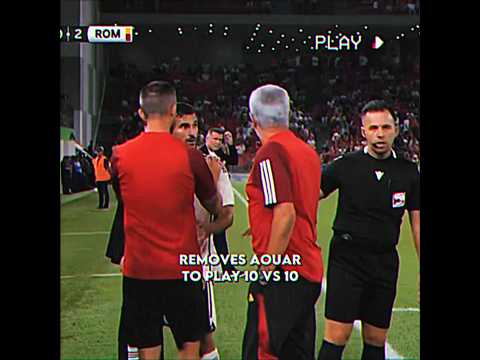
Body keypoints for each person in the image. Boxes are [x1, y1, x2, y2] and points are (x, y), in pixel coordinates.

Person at [110, 80, 223, 360]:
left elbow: (123, 199)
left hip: (139, 271)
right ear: (173, 110)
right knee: (188, 346)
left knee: (148, 348)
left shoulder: (120, 156)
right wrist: (215, 179)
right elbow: (215, 206)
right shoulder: (191, 157)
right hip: (182, 269)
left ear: (140, 113)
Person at [317, 100, 420, 360]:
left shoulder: (409, 172)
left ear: (396, 129)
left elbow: (418, 223)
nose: (380, 133)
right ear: (363, 131)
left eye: (386, 127)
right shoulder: (345, 165)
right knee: (337, 337)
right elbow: (310, 196)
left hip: (384, 261)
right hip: (346, 258)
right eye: (373, 127)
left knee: (376, 340)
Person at [242, 84, 324, 359]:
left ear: (253, 120)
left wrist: (266, 269)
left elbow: (285, 213)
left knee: (261, 351)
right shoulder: (307, 152)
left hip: (283, 272)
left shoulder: (270, 153)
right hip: (307, 269)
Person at [172, 102, 235, 360]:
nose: (191, 132)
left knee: (201, 337)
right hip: (161, 265)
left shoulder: (212, 166)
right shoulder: (159, 164)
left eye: (195, 126)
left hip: (196, 264)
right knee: (147, 336)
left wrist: (206, 229)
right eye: (184, 126)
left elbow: (226, 214)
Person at [199, 127, 238, 273]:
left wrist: (231, 144)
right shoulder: (201, 153)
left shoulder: (220, 152)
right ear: (207, 138)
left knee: (221, 232)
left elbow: (233, 160)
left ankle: (225, 266)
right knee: (216, 233)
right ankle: (220, 266)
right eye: (215, 139)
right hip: (212, 198)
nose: (217, 142)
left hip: (223, 196)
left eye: (220, 140)